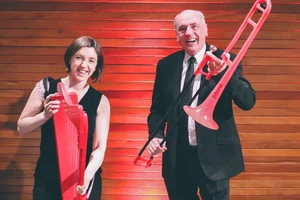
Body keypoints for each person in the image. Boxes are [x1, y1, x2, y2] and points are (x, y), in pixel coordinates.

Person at [146, 9, 256, 200]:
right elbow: (157, 111)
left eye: (194, 26)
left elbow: (248, 101)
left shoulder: (226, 60)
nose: (188, 32)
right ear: (177, 36)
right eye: (182, 29)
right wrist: (155, 136)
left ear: (206, 30)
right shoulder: (166, 65)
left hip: (215, 160)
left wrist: (223, 73)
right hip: (177, 160)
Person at [17, 36, 110, 200]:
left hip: (84, 180)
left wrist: (86, 177)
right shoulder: (46, 87)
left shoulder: (100, 101)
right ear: (70, 59)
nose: (84, 65)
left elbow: (99, 148)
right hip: (47, 177)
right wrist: (45, 115)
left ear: (96, 67)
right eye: (79, 58)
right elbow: (21, 128)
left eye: (91, 61)